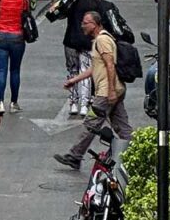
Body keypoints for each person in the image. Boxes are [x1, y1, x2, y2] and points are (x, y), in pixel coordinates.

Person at [55, 11, 133, 171]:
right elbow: (95, 67)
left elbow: (110, 65)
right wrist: (75, 80)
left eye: (86, 23)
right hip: (113, 90)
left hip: (106, 92)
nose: (82, 26)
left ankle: (75, 156)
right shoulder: (99, 40)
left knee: (91, 124)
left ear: (95, 24)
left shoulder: (103, 40)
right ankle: (137, 151)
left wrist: (111, 91)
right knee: (122, 127)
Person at [64, 0, 107, 117]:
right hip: (88, 42)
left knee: (72, 71)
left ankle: (73, 103)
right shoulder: (97, 3)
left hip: (71, 39)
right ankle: (84, 104)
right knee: (85, 72)